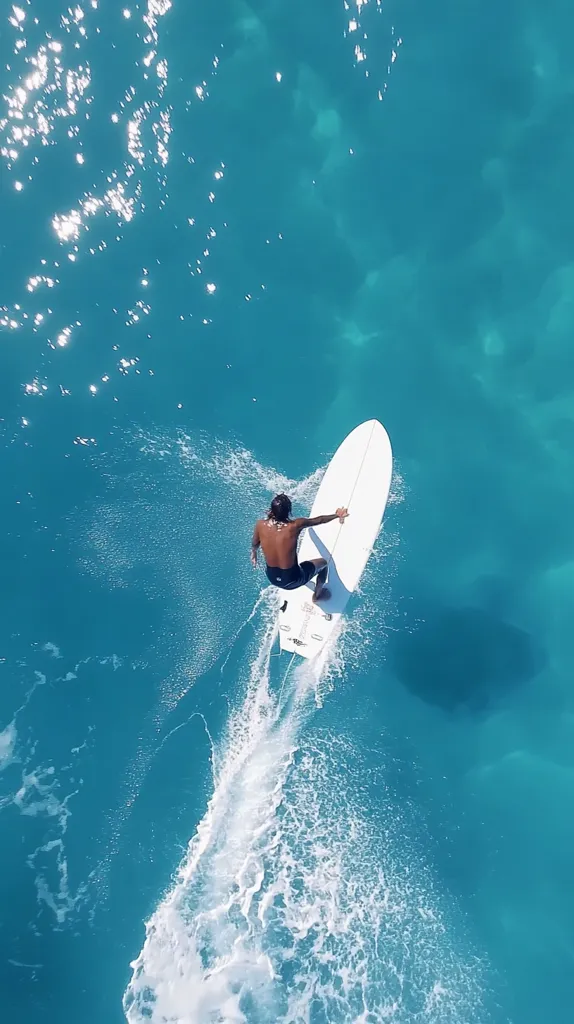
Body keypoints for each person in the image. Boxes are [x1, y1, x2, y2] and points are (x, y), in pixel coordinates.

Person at [251, 492, 349, 602]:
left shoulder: (260, 524)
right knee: (324, 564)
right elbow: (319, 520)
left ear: (272, 510)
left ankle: (303, 578)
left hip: (272, 577)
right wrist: (337, 515)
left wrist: (254, 552)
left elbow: (255, 543)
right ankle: (317, 596)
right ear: (288, 511)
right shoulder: (295, 525)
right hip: (293, 580)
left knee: (291, 565)